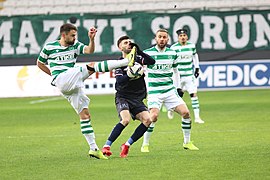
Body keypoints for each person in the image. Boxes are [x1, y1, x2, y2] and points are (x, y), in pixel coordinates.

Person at [36, 23, 136, 160]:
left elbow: (89, 50)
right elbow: (40, 63)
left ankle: (93, 149)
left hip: (72, 83)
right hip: (62, 78)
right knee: (92, 66)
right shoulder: (49, 47)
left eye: (75, 35)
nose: (74, 37)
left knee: (85, 115)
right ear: (63, 35)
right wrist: (54, 76)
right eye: (72, 35)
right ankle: (126, 62)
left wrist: (92, 38)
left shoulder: (75, 45)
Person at [141, 29, 199, 153]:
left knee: (186, 113)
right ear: (155, 39)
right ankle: (145, 144)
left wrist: (178, 87)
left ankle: (187, 142)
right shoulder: (147, 53)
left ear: (168, 39)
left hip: (169, 91)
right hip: (155, 92)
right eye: (160, 37)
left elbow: (176, 71)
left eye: (164, 37)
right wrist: (144, 89)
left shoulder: (172, 53)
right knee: (153, 117)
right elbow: (142, 72)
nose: (162, 39)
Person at [101, 36, 155, 158]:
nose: (129, 43)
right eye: (125, 43)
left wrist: (139, 51)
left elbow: (152, 62)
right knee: (125, 120)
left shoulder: (138, 59)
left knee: (148, 120)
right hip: (123, 96)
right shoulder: (119, 63)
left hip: (137, 98)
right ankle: (106, 146)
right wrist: (131, 74)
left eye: (130, 42)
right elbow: (120, 81)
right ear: (120, 47)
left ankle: (127, 145)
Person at [168, 29, 204, 124]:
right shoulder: (173, 48)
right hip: (178, 77)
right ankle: (171, 109)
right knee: (175, 95)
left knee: (193, 94)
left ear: (187, 37)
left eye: (184, 35)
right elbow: (170, 60)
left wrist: (197, 67)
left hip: (188, 75)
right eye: (181, 36)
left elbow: (195, 56)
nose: (183, 37)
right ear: (178, 37)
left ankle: (197, 117)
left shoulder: (191, 46)